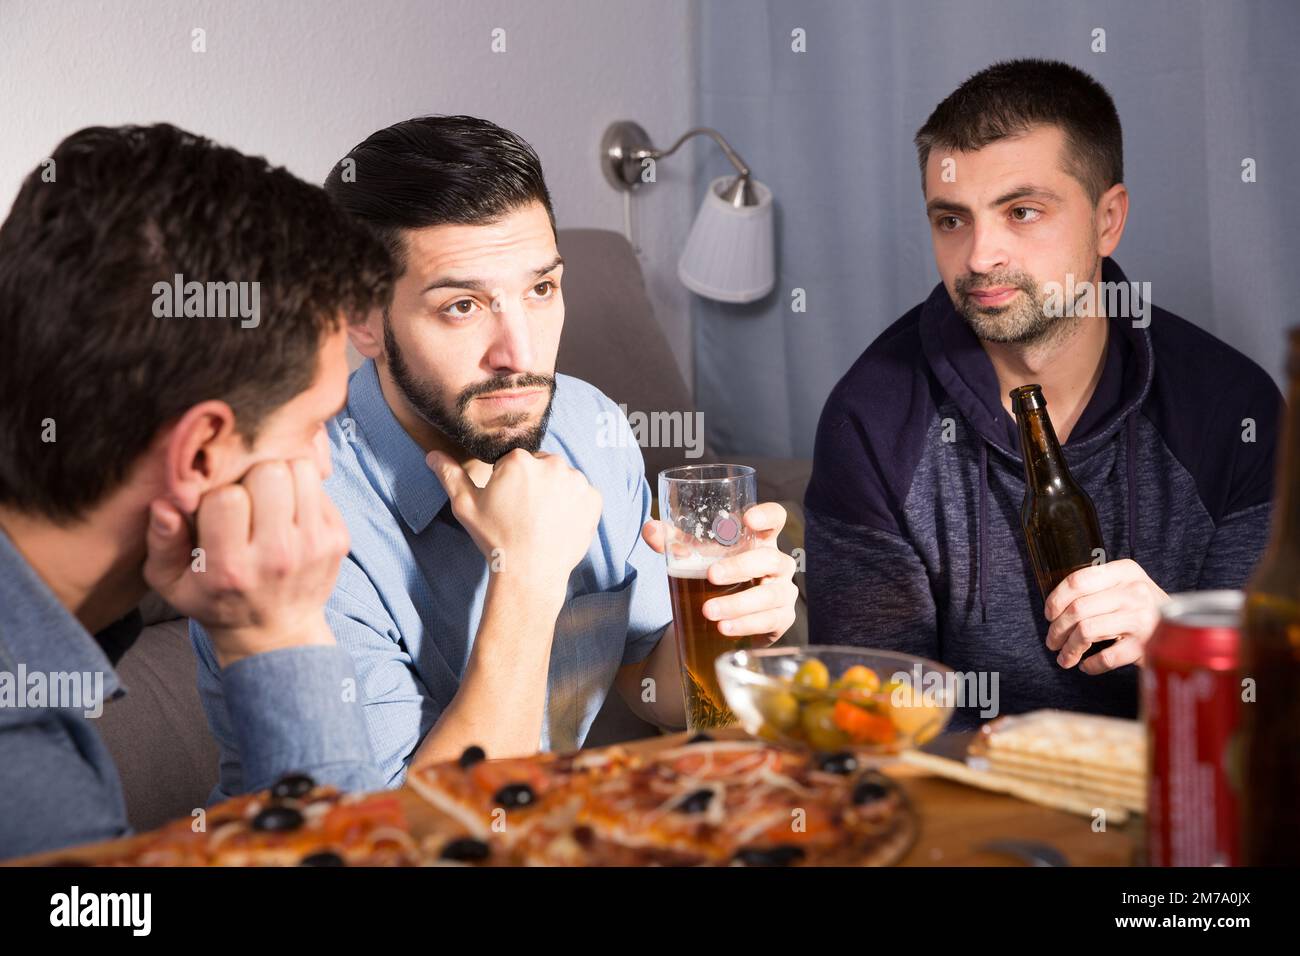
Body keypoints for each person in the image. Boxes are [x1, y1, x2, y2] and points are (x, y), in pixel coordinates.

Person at [191, 115, 801, 794]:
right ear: (362, 318)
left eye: (541, 290)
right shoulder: (302, 518)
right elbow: (414, 839)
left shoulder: (588, 423)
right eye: (462, 306)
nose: (521, 354)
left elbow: (648, 683)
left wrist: (722, 634)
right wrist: (529, 576)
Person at [804, 60, 1282, 727]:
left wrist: (1189, 646)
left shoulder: (1233, 410)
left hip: (1175, 798)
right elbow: (871, 720)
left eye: (1021, 212)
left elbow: (1266, 717)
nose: (978, 256)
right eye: (951, 220)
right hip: (967, 805)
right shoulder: (872, 418)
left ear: (1107, 219)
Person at [0, 124, 395, 858]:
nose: (325, 465)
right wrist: (279, 638)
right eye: (316, 426)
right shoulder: (27, 783)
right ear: (201, 452)